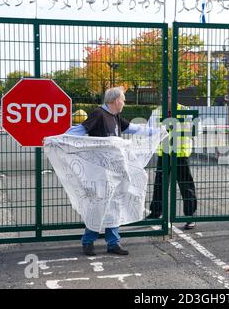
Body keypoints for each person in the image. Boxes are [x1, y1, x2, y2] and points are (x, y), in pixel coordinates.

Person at [66, 86, 156, 256]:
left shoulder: (115, 116)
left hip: (115, 171)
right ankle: (88, 241)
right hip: (100, 172)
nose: (124, 102)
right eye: (123, 99)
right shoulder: (99, 114)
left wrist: (156, 132)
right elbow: (80, 130)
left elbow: (132, 129)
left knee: (114, 204)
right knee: (99, 205)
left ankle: (113, 243)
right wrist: (58, 137)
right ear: (116, 101)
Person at [147, 88, 197, 230]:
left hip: (181, 154)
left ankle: (190, 216)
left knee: (186, 185)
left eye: (169, 95)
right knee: (160, 184)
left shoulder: (185, 110)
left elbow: (194, 130)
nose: (167, 98)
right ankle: (156, 212)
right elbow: (149, 129)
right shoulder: (157, 112)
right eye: (164, 95)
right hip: (164, 153)